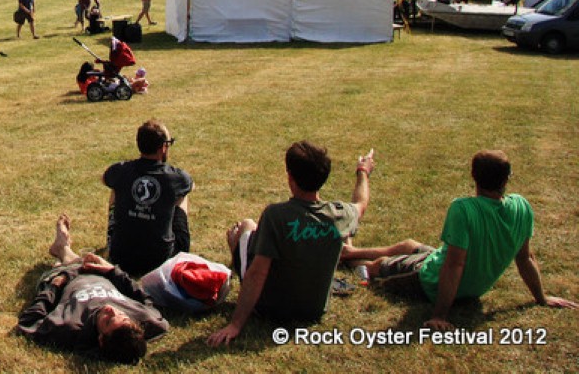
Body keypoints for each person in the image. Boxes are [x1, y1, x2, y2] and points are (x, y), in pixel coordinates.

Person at [343, 150, 577, 328]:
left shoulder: (464, 209)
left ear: (474, 177)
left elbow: (455, 265)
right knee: (409, 245)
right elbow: (526, 259)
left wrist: (439, 315)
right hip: (465, 281)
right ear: (507, 178)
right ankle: (351, 251)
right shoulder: (522, 206)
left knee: (378, 267)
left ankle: (347, 256)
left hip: (431, 281)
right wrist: (541, 298)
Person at [206, 142, 375, 346]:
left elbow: (256, 274)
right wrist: (363, 171)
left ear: (290, 177)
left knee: (246, 227)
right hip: (314, 311)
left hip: (270, 309)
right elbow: (361, 204)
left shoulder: (275, 216)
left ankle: (237, 247)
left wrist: (235, 324)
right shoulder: (339, 215)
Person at [16, 214, 169, 364]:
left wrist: (54, 286)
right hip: (101, 273)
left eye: (108, 321)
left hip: (65, 278)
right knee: (81, 260)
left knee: (69, 261)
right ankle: (63, 249)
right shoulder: (145, 320)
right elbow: (147, 301)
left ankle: (62, 247)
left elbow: (29, 322)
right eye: (122, 315)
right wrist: (112, 271)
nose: (111, 309)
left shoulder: (69, 327)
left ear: (101, 339)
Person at [103, 120, 194, 277]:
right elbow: (191, 186)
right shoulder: (177, 178)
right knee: (182, 195)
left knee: (116, 188)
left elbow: (105, 179)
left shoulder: (120, 170)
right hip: (161, 261)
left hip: (120, 257)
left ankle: (113, 236)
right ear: (163, 147)